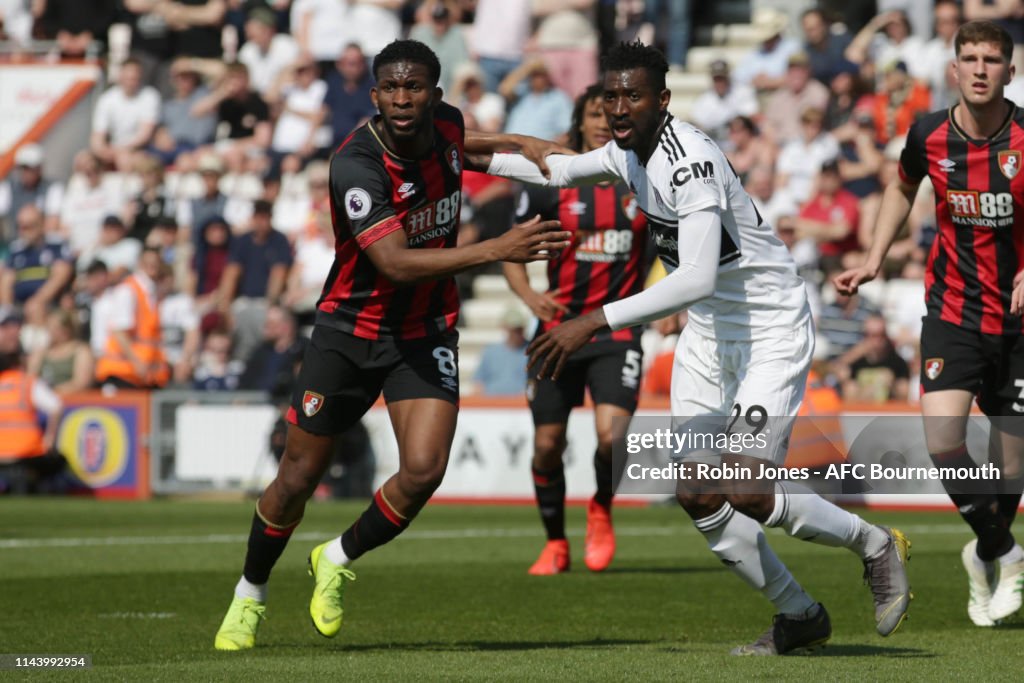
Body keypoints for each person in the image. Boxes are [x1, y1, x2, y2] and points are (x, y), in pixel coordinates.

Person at [483, 40, 911, 655]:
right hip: (709, 337)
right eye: (612, 96)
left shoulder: (691, 161)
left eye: (634, 95)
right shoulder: (629, 154)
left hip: (769, 328)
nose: (621, 107)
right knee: (697, 492)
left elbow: (697, 277)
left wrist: (591, 322)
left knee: (746, 487)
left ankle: (875, 545)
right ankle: (799, 614)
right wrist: (459, 156)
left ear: (663, 99)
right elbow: (557, 168)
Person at [213, 39, 571, 652]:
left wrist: (524, 145)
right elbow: (395, 262)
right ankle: (250, 592)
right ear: (375, 95)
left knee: (425, 469)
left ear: (435, 94)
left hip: (424, 330)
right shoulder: (356, 164)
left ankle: (336, 556)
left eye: (415, 89)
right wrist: (497, 249)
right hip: (349, 333)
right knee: (297, 477)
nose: (403, 100)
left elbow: (470, 148)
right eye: (391, 89)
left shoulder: (448, 126)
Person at [835, 20, 1024, 628]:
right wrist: (873, 255)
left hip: (1020, 324)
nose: (978, 68)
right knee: (944, 440)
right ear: (952, 69)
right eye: (967, 58)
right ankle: (1011, 555)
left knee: (1011, 470)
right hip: (953, 311)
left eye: (991, 59)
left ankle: (985, 551)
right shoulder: (928, 135)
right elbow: (900, 186)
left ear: (1009, 71)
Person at [502, 83, 648, 575]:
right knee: (547, 444)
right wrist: (527, 296)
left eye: (611, 112)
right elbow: (512, 247)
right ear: (580, 121)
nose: (604, 120)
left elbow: (669, 246)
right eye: (594, 113)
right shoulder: (553, 180)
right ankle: (555, 543)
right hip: (557, 331)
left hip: (614, 330)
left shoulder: (641, 178)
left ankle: (601, 507)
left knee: (614, 436)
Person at [94, 247, 170, 389]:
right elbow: (119, 331)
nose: (152, 267)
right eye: (148, 263)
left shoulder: (152, 292)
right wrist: (137, 362)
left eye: (155, 263)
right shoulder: (128, 290)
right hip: (122, 372)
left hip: (143, 374)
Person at [473, 306, 529, 397]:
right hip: (492, 403)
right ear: (505, 328)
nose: (517, 333)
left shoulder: (532, 351)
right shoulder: (490, 352)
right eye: (514, 330)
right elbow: (478, 383)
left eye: (519, 329)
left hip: (521, 405)